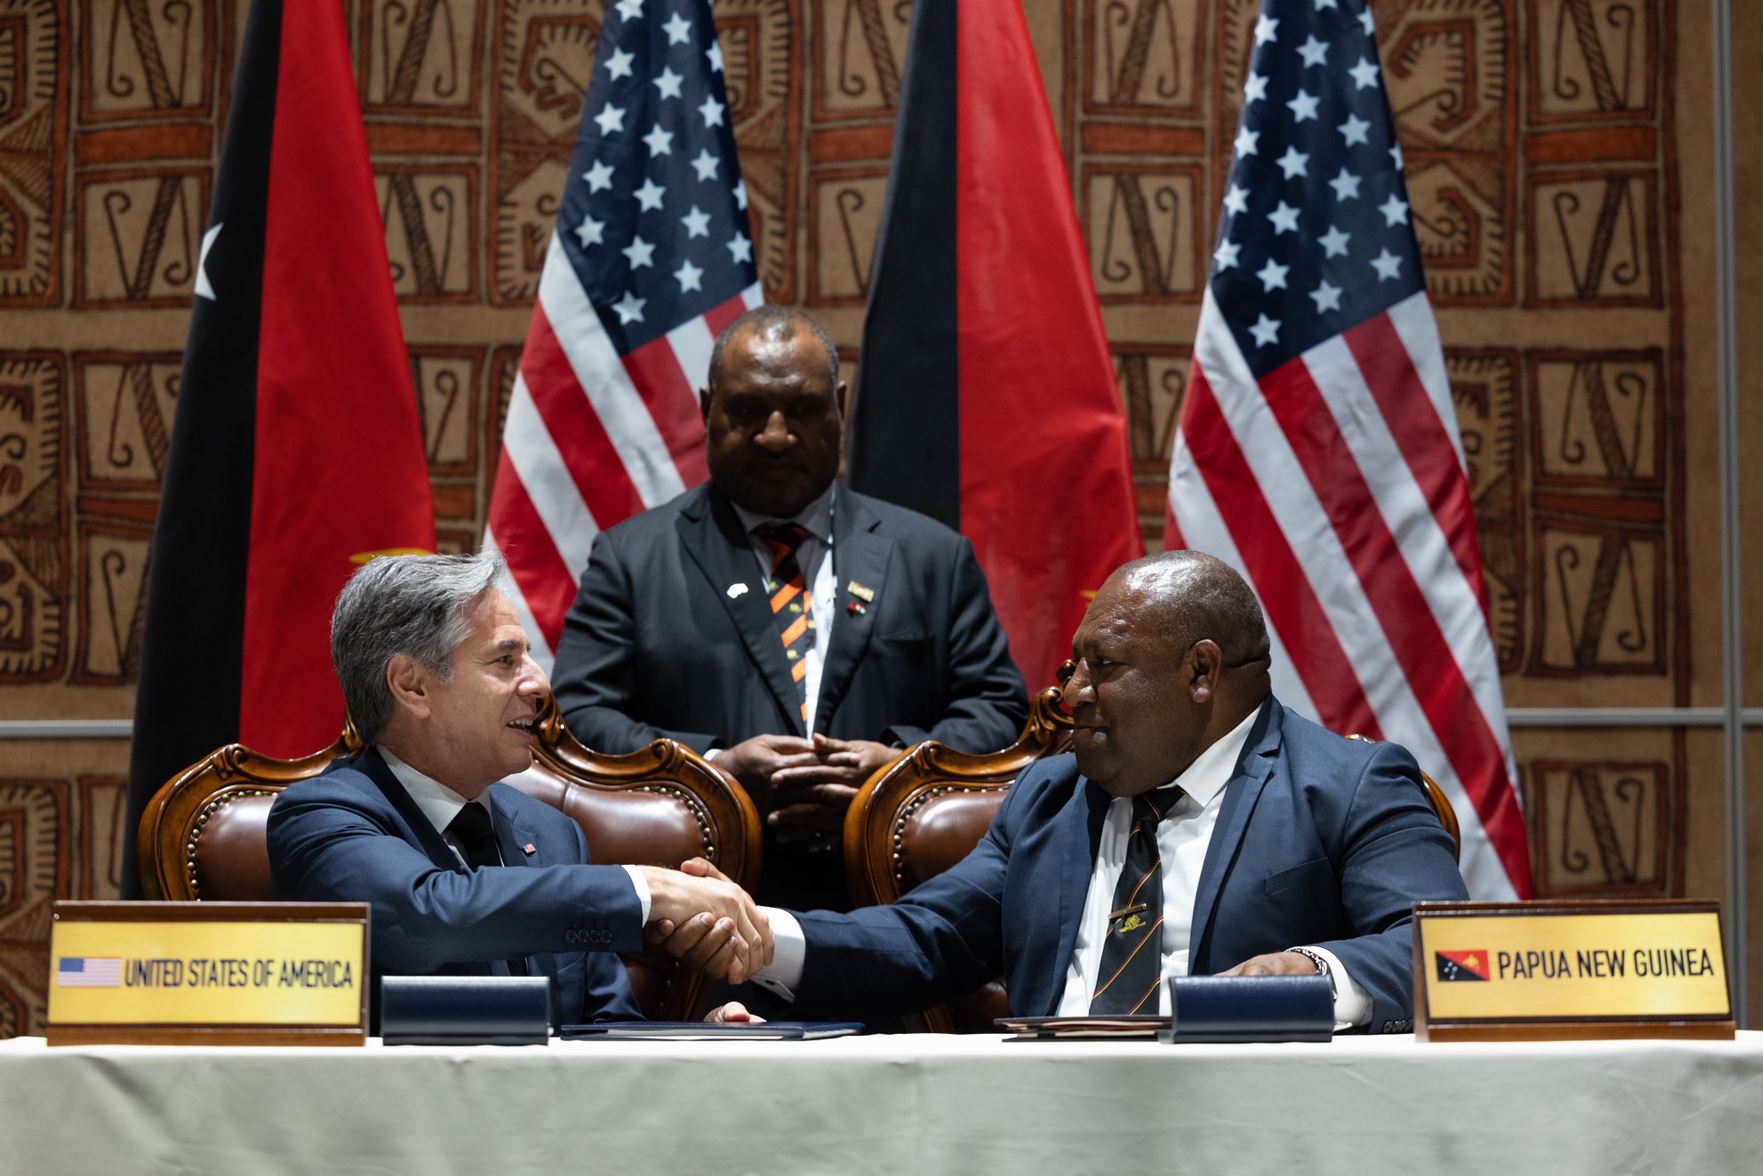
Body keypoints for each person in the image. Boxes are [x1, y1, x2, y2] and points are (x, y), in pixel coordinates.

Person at [664, 550, 1470, 1033]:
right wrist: (767, 938)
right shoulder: (1051, 797)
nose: (1067, 695)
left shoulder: (1350, 786)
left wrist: (1310, 972)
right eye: (1069, 668)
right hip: (1044, 1128)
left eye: (1103, 668)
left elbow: (1444, 954)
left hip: (1252, 1133)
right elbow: (926, 940)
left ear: (1199, 673)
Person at [549, 306, 1027, 909]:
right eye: (747, 410)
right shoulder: (631, 559)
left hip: (898, 903)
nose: (776, 435)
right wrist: (717, 769)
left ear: (840, 408)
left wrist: (894, 774)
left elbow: (997, 709)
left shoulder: (932, 555)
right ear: (706, 409)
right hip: (702, 901)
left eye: (802, 409)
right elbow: (582, 717)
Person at [267, 552, 772, 1027]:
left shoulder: (553, 834)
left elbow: (603, 1030)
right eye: (505, 661)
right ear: (412, 686)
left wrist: (703, 1042)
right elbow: (429, 917)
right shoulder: (322, 816)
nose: (540, 686)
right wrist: (647, 889)